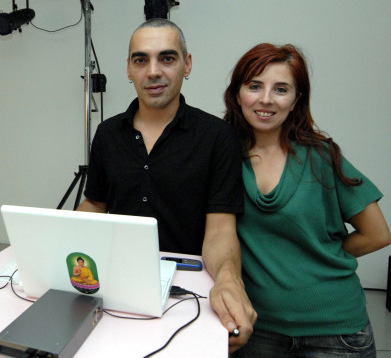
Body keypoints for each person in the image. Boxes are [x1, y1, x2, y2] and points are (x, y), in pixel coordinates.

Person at [76, 18, 257, 352]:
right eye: (141, 59)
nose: (153, 71)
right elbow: (96, 203)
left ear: (187, 65)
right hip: (116, 282)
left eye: (167, 58)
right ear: (128, 70)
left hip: (187, 288)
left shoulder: (217, 137)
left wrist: (229, 279)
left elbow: (220, 230)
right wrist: (61, 239)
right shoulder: (107, 134)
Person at [223, 43, 391, 357]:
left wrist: (321, 255)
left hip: (334, 331)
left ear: (296, 99)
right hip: (257, 328)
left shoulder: (321, 157)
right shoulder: (223, 157)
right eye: (254, 86)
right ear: (237, 93)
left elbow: (378, 234)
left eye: (281, 89)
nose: (266, 99)